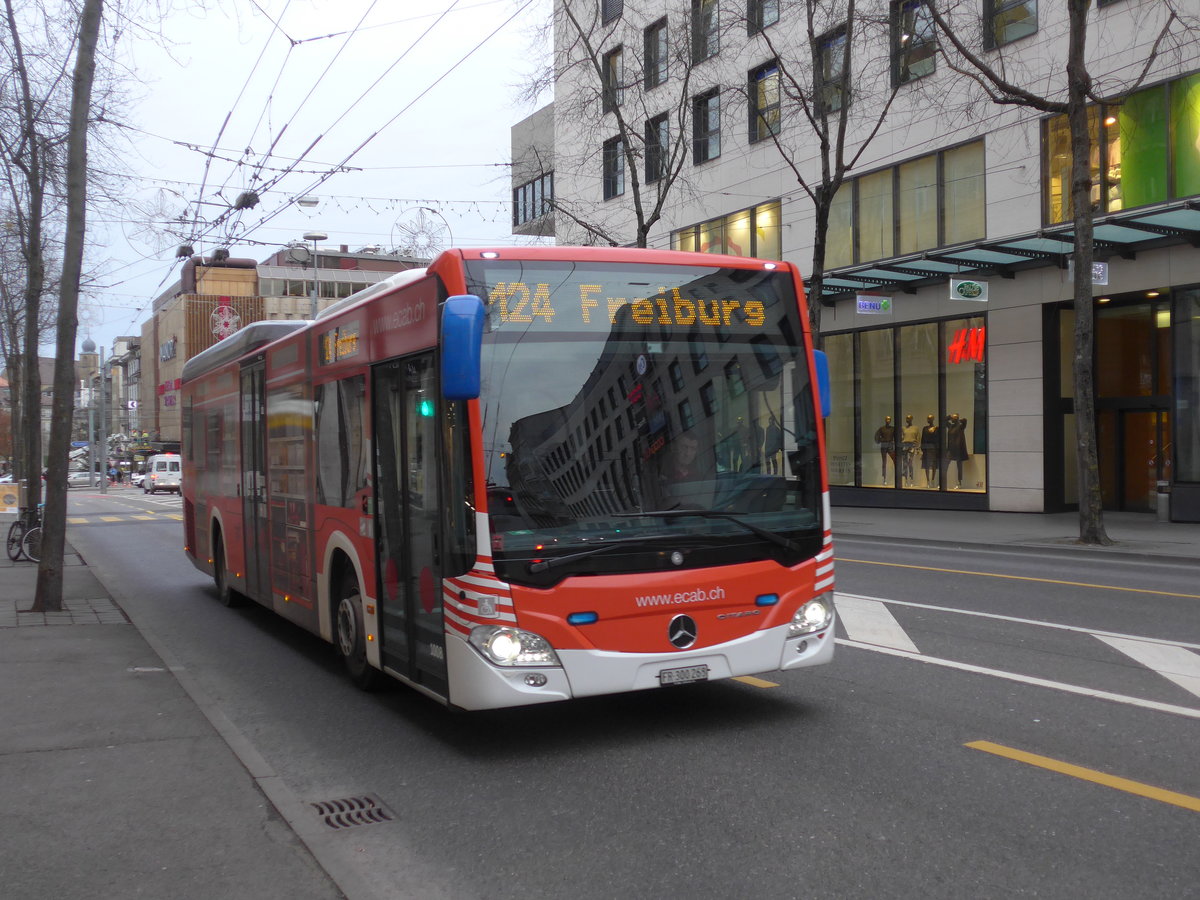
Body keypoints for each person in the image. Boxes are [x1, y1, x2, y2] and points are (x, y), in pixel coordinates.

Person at [944, 413, 969, 489]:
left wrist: (957, 419)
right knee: (945, 465)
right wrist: (949, 416)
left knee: (959, 466)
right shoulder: (950, 426)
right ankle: (943, 481)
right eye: (952, 418)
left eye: (953, 418)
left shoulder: (960, 426)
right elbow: (944, 421)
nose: (952, 419)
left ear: (957, 419)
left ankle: (959, 482)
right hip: (951, 449)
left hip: (958, 449)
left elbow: (965, 420)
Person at [873, 416, 896, 481]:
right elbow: (876, 437)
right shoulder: (882, 428)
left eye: (889, 419)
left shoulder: (893, 429)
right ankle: (884, 477)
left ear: (890, 420)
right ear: (885, 420)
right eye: (887, 419)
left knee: (895, 460)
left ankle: (896, 475)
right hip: (883, 446)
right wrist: (881, 440)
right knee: (884, 462)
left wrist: (895, 444)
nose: (888, 420)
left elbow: (896, 437)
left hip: (890, 446)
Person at [900, 414, 920, 487]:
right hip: (905, 446)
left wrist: (918, 448)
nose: (907, 420)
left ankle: (911, 479)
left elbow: (918, 438)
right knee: (904, 464)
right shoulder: (903, 428)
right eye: (906, 419)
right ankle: (905, 479)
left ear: (912, 419)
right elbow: (901, 438)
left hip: (912, 446)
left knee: (910, 463)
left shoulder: (915, 428)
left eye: (909, 418)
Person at [920, 414, 940, 488]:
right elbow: (923, 439)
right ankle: (928, 481)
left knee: (934, 465)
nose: (928, 420)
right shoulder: (925, 428)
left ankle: (933, 480)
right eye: (928, 418)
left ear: (933, 419)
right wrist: (923, 448)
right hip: (926, 449)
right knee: (927, 465)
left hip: (934, 449)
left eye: (930, 418)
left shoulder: (936, 428)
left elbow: (938, 439)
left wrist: (938, 449)